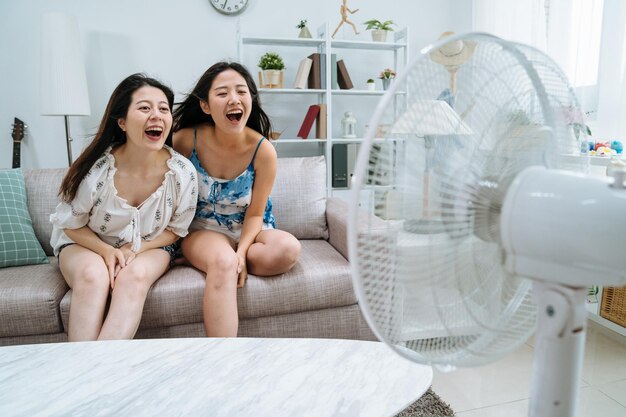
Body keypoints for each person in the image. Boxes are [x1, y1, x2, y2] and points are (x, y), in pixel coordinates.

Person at [50, 73, 198, 341]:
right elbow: (70, 223)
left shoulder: (183, 173)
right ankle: (78, 372)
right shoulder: (96, 169)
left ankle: (104, 374)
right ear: (122, 122)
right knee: (93, 276)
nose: (157, 115)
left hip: (151, 244)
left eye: (163, 109)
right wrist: (106, 251)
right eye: (144, 108)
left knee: (134, 276)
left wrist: (135, 248)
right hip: (86, 242)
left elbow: (176, 230)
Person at [173, 61, 301, 337]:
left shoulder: (263, 150)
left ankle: (223, 259)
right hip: (203, 229)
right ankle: (222, 361)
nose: (234, 99)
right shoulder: (185, 140)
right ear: (205, 106)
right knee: (223, 263)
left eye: (242, 91)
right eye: (222, 93)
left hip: (250, 230)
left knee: (287, 250)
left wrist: (241, 253)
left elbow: (255, 215)